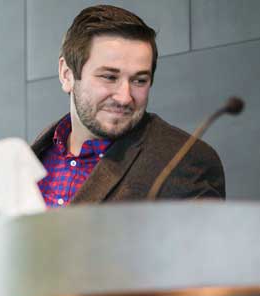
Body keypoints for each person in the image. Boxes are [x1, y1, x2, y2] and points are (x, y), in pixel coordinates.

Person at [32, 5, 225, 207]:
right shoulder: (34, 156)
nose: (124, 98)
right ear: (67, 74)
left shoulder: (185, 162)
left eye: (139, 81)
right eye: (109, 77)